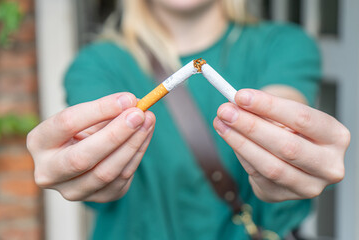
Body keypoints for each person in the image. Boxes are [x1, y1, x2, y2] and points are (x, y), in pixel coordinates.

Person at [27, 0, 350, 239]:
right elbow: (90, 134)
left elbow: (284, 103)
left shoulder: (283, 45)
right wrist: (83, 158)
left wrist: (288, 144)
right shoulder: (96, 63)